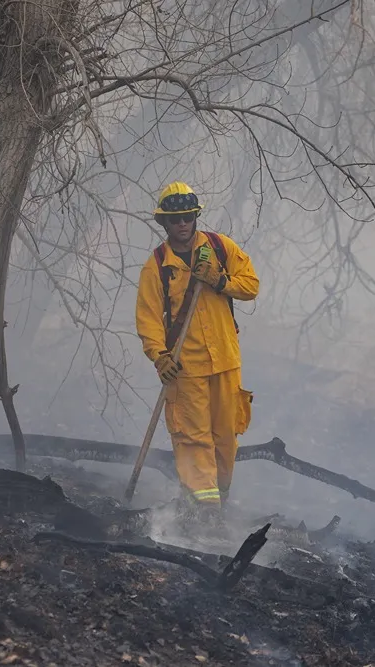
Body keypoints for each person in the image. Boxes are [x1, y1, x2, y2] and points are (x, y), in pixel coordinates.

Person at [135, 182, 260, 530]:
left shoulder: (221, 249)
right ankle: (202, 507)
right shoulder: (158, 266)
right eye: (175, 219)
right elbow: (148, 317)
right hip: (184, 366)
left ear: (195, 217)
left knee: (224, 437)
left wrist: (219, 280)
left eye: (188, 217)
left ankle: (217, 501)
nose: (183, 224)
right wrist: (159, 356)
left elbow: (251, 285)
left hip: (225, 362)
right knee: (193, 438)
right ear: (165, 223)